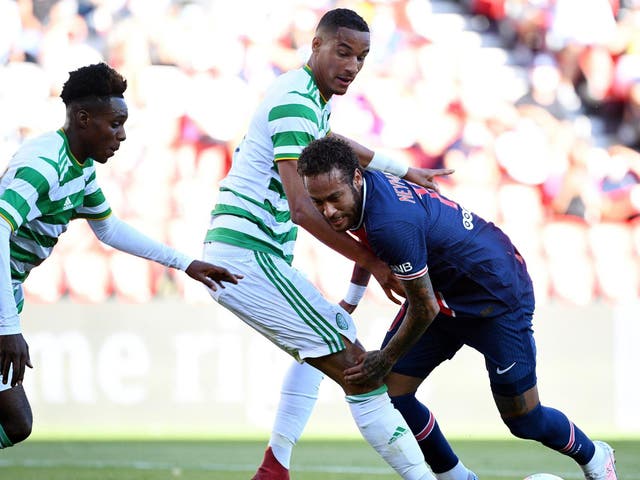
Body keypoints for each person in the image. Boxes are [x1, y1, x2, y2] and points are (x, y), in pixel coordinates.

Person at [202, 8, 455, 480]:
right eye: (342, 52)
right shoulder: (297, 102)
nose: (352, 66)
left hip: (251, 254)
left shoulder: (306, 97)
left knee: (326, 336)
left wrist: (401, 169)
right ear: (315, 45)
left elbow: (332, 140)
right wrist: (371, 261)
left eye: (361, 57)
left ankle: (274, 466)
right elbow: (302, 207)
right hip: (247, 255)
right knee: (361, 370)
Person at [292, 135, 619, 480]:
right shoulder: (362, 191)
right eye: (319, 201)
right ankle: (456, 477)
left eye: (333, 199)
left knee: (524, 420)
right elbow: (373, 249)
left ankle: (596, 457)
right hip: (443, 293)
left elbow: (423, 305)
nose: (327, 211)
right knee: (392, 395)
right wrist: (352, 300)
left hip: (495, 296)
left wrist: (385, 357)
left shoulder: (391, 222)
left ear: (357, 178)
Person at [0, 62, 242, 448]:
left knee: (15, 423)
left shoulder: (79, 169)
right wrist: (7, 328)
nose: (122, 135)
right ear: (83, 119)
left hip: (7, 291)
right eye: (115, 123)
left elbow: (109, 229)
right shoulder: (42, 165)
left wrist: (186, 264)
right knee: (15, 422)